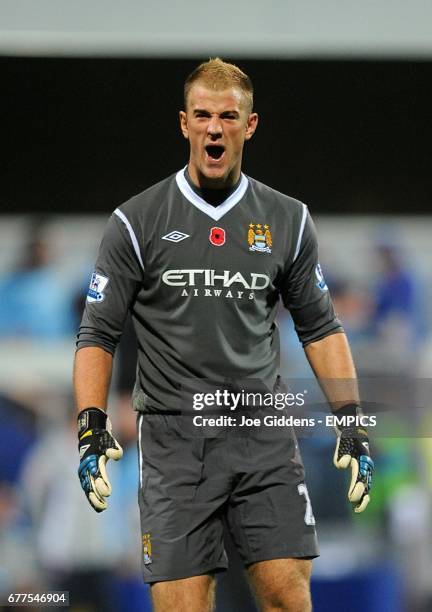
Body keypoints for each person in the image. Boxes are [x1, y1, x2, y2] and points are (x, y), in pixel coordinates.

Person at [74, 58, 374, 612]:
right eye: (203, 115)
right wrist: (91, 423)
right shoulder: (135, 222)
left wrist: (351, 421)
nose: (215, 128)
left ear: (250, 125)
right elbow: (97, 333)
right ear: (185, 123)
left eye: (228, 116)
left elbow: (321, 327)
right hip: (174, 445)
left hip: (262, 435)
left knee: (289, 598)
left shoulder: (287, 219)